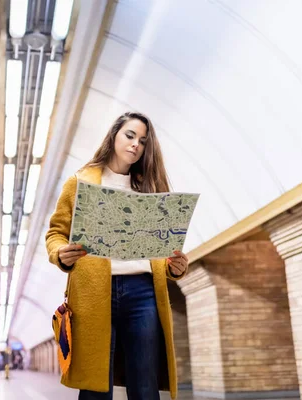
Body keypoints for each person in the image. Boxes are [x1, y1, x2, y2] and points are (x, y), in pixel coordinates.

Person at [45, 112, 189, 400]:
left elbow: (164, 249)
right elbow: (55, 233)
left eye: (144, 141)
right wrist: (61, 253)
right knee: (96, 385)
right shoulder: (81, 182)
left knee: (145, 384)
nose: (136, 144)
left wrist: (176, 266)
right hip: (93, 293)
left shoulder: (151, 189)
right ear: (114, 136)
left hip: (144, 292)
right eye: (130, 135)